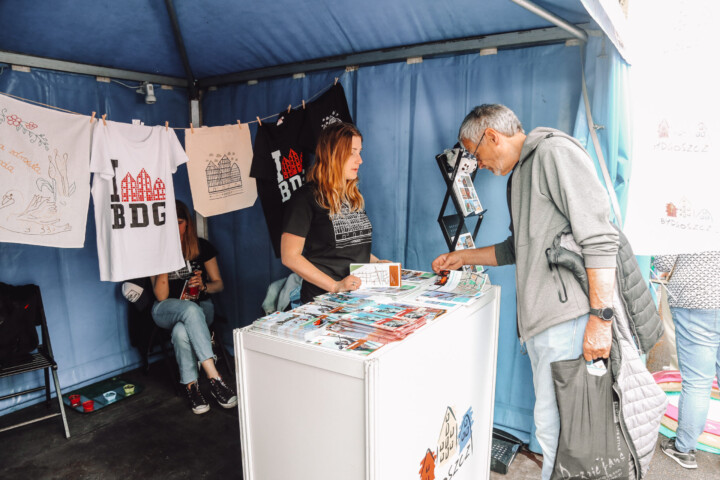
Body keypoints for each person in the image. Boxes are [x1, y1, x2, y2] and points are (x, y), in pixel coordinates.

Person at [431, 104, 618, 480]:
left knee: (564, 437)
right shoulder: (521, 174)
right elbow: (517, 248)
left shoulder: (553, 153)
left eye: (475, 152)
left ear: (492, 136)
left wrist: (601, 319)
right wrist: (461, 256)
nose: (477, 163)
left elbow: (600, 236)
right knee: (552, 431)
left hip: (566, 321)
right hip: (544, 326)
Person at [281, 122, 386, 304]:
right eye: (352, 152)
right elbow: (290, 256)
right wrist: (335, 286)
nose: (359, 160)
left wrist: (377, 263)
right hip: (323, 301)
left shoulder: (352, 195)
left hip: (356, 297)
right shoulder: (306, 197)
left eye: (359, 152)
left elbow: (349, 249)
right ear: (334, 154)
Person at [150, 200, 237, 415]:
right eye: (168, 224)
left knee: (182, 331)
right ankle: (215, 378)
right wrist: (167, 256)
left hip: (200, 307)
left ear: (187, 223)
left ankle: (192, 389)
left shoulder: (201, 247)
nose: (174, 228)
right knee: (188, 311)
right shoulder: (155, 251)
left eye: (178, 222)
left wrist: (204, 285)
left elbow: (219, 284)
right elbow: (160, 295)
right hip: (166, 309)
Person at [653, 252, 720, 469]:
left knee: (697, 382)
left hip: (696, 297)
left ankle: (684, 448)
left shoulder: (689, 217)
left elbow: (664, 261)